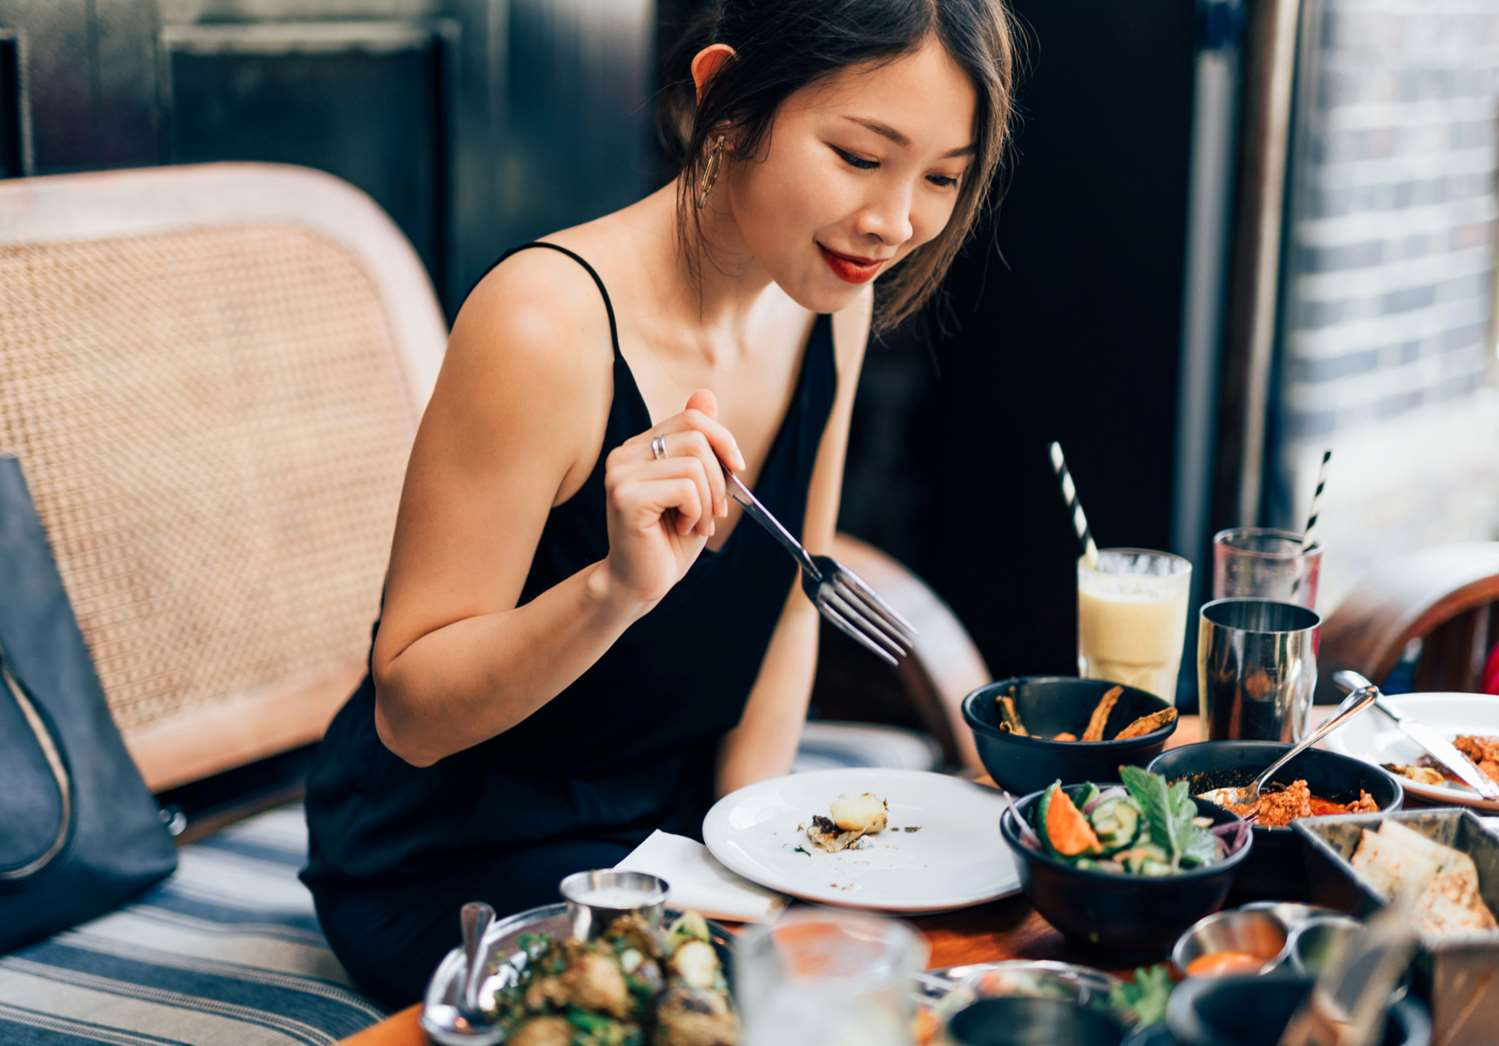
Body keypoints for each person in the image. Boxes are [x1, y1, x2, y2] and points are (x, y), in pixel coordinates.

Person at [301, 0, 1017, 1008]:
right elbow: (410, 712)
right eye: (860, 155)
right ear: (723, 98)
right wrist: (611, 588)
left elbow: (789, 609)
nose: (894, 221)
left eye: (941, 175)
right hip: (456, 859)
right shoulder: (543, 322)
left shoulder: (832, 302)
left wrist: (755, 858)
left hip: (667, 836)